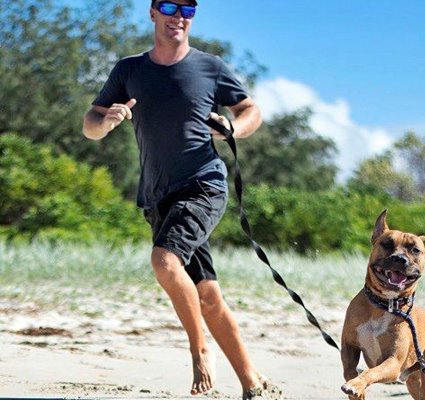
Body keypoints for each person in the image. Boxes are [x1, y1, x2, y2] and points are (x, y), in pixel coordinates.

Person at [82, 1, 280, 398]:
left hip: (204, 184)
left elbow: (250, 109)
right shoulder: (129, 70)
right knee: (206, 294)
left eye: (188, 8)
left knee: (164, 261)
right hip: (157, 195)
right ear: (153, 13)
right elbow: (91, 125)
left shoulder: (210, 67)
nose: (179, 15)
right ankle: (253, 382)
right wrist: (106, 121)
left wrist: (233, 127)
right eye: (169, 6)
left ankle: (199, 350)